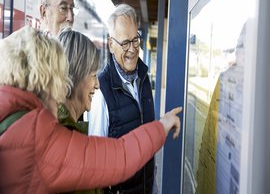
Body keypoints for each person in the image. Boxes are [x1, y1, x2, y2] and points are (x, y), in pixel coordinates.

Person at [0, 26, 182, 194]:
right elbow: (120, 157)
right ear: (46, 79)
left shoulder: (10, 116)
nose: (61, 85)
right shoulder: (35, 131)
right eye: (59, 77)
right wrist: (161, 127)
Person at [88, 4, 156, 193]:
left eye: (135, 40)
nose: (132, 49)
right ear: (111, 44)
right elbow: (95, 160)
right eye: (125, 43)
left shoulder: (143, 78)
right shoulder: (101, 91)